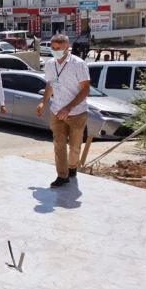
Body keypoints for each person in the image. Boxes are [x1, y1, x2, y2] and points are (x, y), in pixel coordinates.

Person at [36, 34, 90, 188]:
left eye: (58, 48)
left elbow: (85, 89)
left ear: (67, 47)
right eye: (53, 48)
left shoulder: (78, 64)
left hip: (77, 113)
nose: (54, 51)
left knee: (74, 146)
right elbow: (50, 85)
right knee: (58, 143)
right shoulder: (50, 64)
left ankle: (72, 168)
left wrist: (69, 107)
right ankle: (62, 175)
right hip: (56, 111)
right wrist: (43, 103)